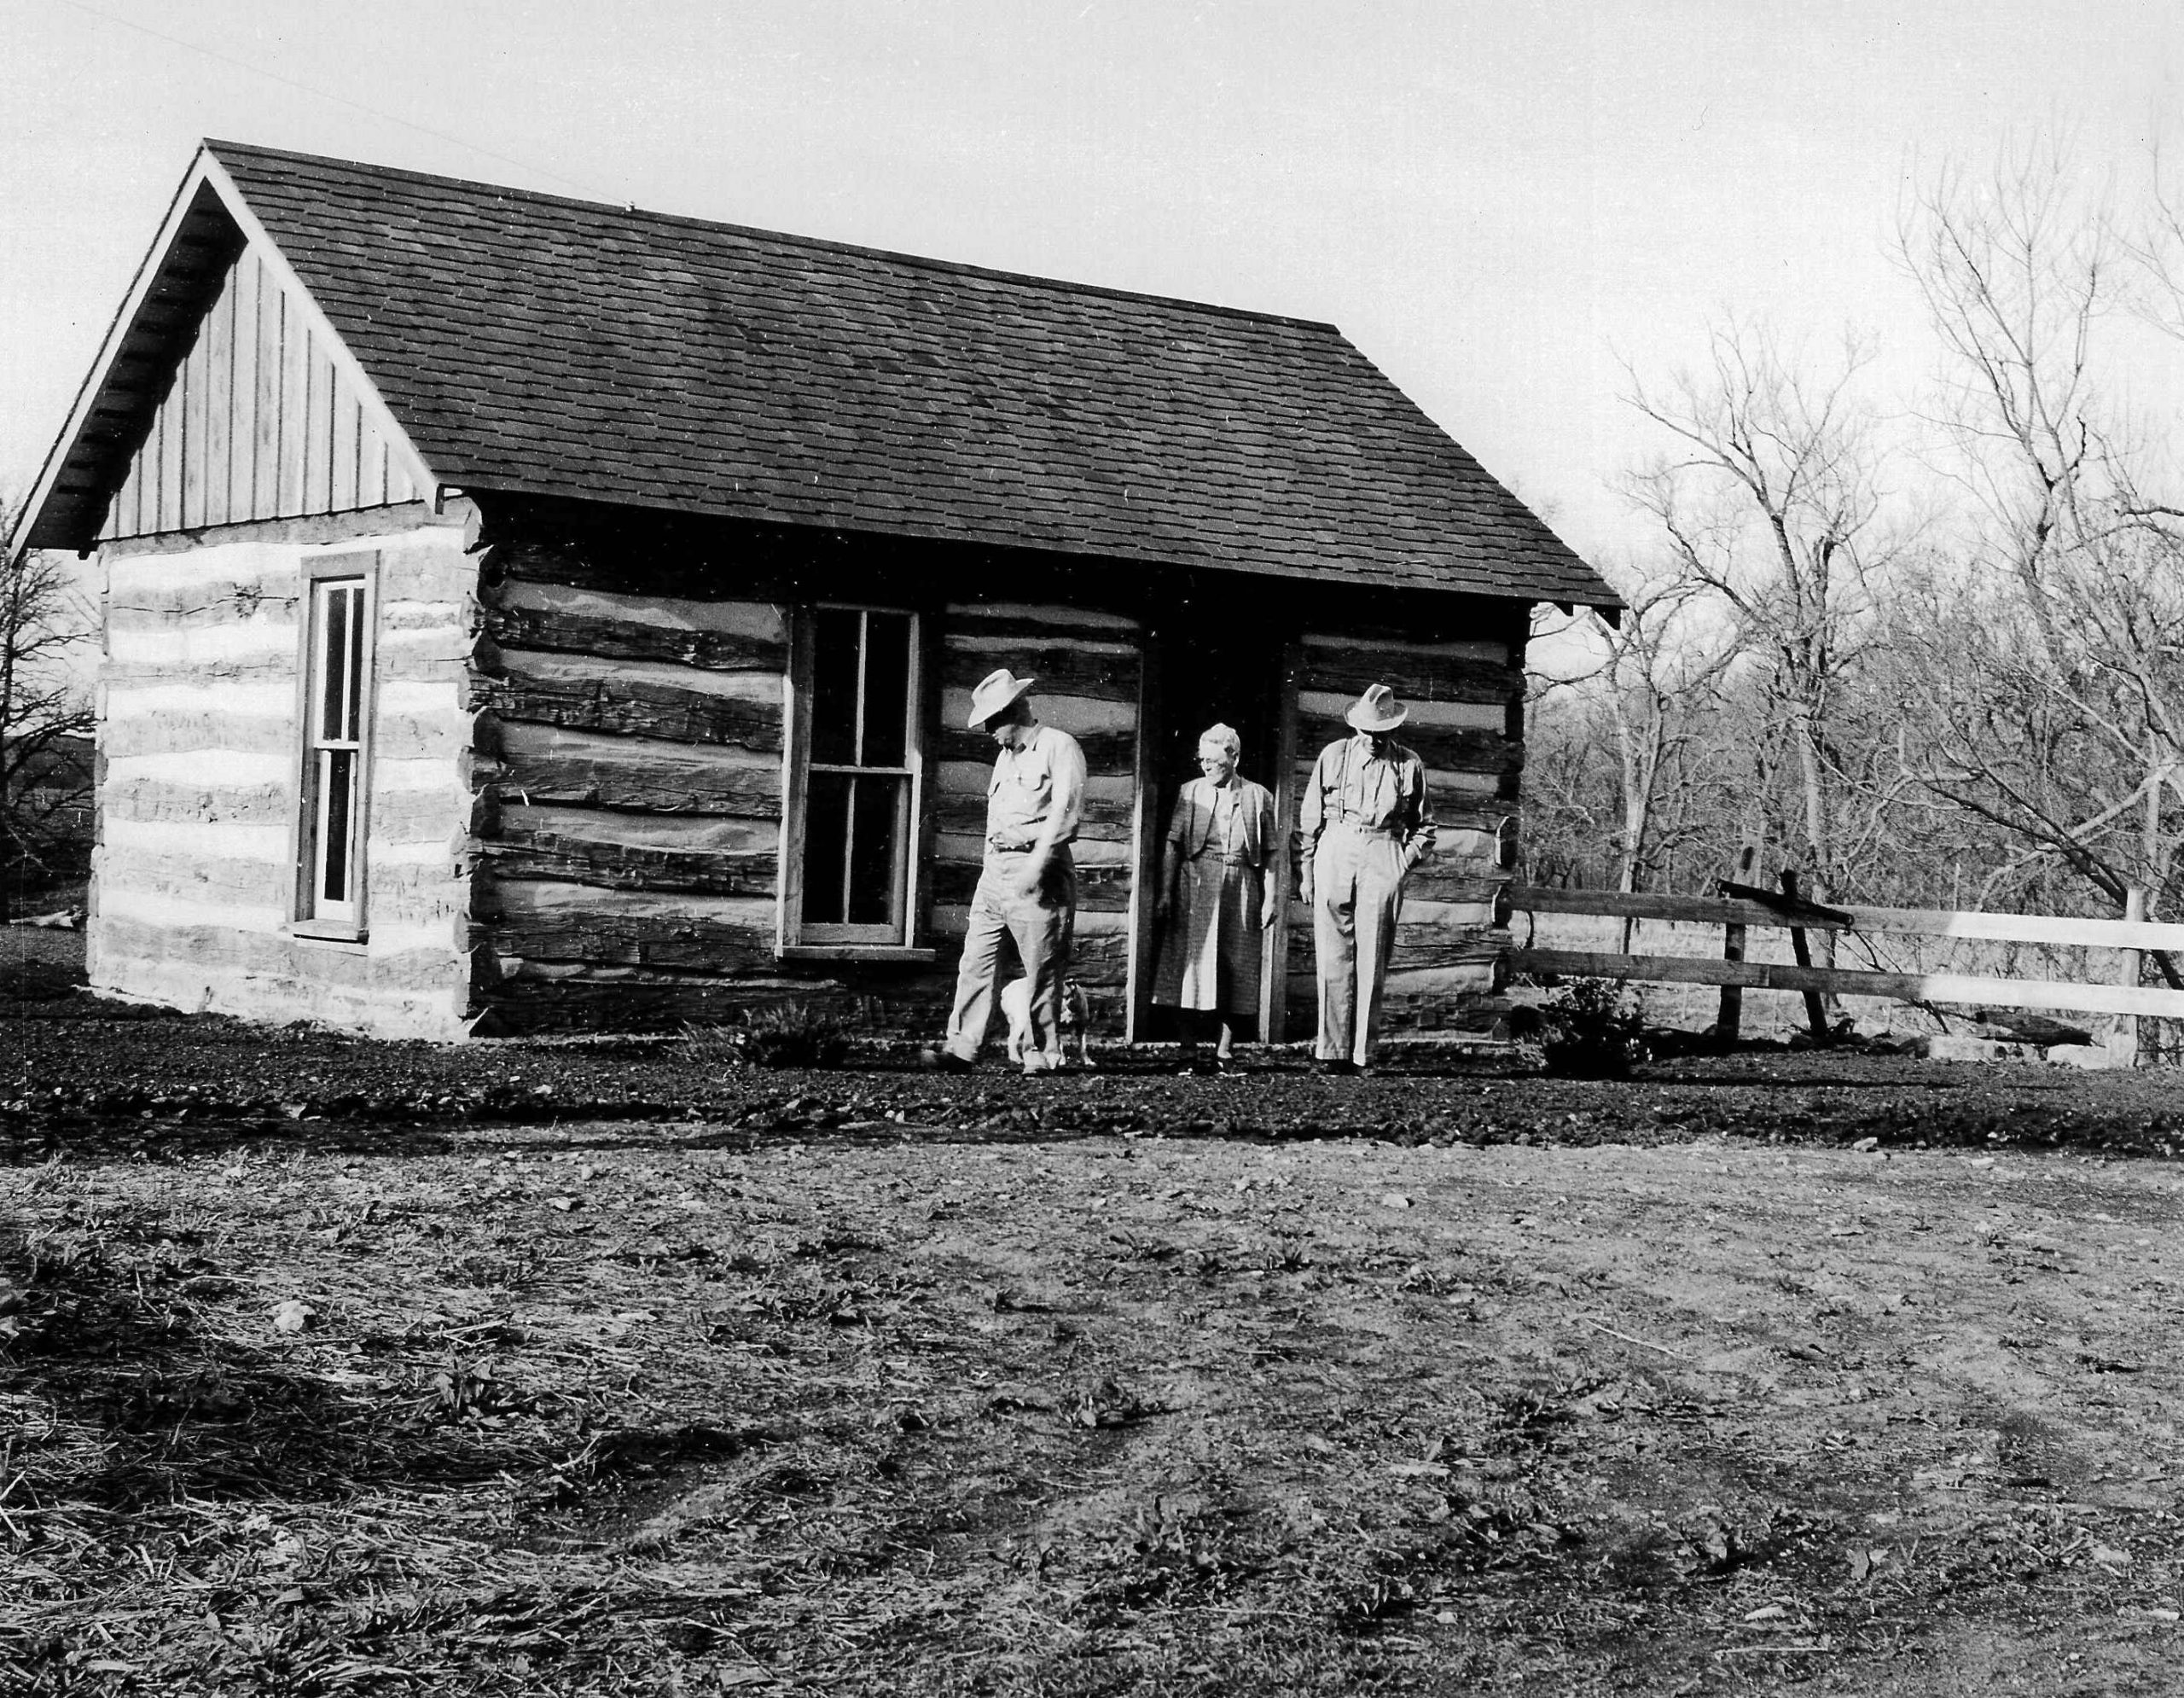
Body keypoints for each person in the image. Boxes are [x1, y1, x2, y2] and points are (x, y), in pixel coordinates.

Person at [934, 669, 1087, 1074]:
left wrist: (1035, 865)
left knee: (1042, 965)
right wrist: (991, 873)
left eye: (991, 720)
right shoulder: (1004, 758)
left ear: (1014, 710)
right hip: (997, 870)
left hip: (1041, 867)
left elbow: (1065, 816)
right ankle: (962, 1047)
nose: (987, 731)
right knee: (976, 960)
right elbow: (995, 822)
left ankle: (1041, 1053)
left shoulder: (1058, 746)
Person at [1298, 683, 1436, 1075]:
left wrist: (1400, 863)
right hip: (1336, 848)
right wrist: (1307, 871)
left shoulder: (1409, 765)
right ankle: (1330, 1051)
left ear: (1393, 731)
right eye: (1368, 732)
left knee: (1372, 959)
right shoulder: (1333, 756)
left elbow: (1425, 828)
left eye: (1383, 733)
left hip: (1382, 850)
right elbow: (1311, 821)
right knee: (1332, 957)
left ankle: (1362, 1054)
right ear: (1356, 727)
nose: (1374, 740)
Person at [1153, 724, 1278, 1073]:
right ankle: (1187, 1051)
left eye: (1213, 760)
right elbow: (1172, 845)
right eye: (1201, 760)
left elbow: (1270, 853)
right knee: (1189, 965)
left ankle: (1225, 1052)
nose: (1205, 766)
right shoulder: (1189, 792)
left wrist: (1271, 898)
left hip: (1240, 884)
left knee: (1236, 966)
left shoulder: (1259, 796)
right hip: (1194, 883)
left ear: (1234, 758)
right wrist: (1165, 892)